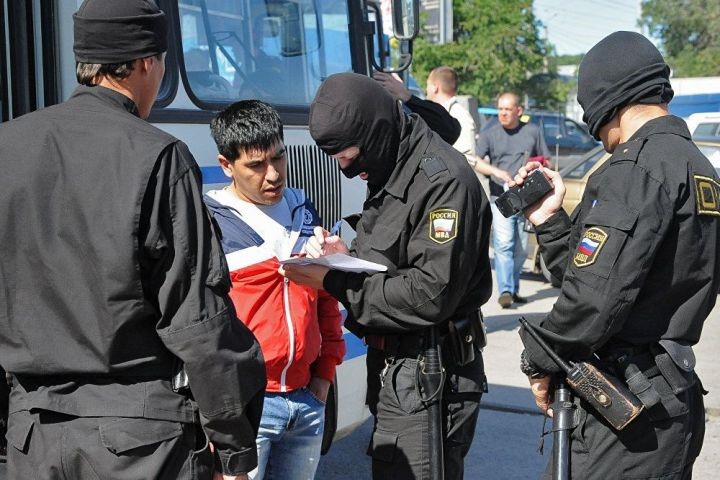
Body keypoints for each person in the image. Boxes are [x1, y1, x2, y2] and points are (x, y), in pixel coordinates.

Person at [0, 1, 266, 479]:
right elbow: (197, 319)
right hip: (140, 445)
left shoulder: (7, 147)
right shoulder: (159, 156)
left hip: (32, 437)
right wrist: (234, 450)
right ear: (147, 63)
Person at [516, 31, 719, 479]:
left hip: (627, 417)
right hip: (671, 402)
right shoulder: (699, 165)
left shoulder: (635, 168)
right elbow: (595, 274)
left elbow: (591, 301)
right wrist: (550, 220)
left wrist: (539, 358)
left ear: (605, 100)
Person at [282, 72, 493, 480]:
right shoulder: (392, 163)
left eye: (349, 157)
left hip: (431, 373)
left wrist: (332, 281)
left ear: (374, 133)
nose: (346, 171)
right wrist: (344, 257)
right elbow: (394, 256)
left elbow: (429, 293)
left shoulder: (442, 183)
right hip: (400, 368)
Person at [204, 100, 346, 480]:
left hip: (307, 400)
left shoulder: (304, 210)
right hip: (246, 408)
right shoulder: (210, 222)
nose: (272, 174)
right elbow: (199, 324)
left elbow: (326, 297)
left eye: (278, 158)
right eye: (256, 165)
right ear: (226, 165)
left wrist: (324, 377)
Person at [476, 91, 550, 309]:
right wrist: (496, 172)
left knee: (521, 250)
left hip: (526, 199)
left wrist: (536, 170)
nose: (503, 114)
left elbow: (546, 160)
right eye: (500, 109)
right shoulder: (490, 133)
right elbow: (476, 161)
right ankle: (506, 290)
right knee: (504, 244)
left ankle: (514, 290)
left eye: (507, 109)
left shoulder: (532, 131)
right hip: (501, 199)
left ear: (519, 111)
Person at [373, 71, 461, 145]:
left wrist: (407, 97)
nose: (426, 90)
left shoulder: (457, 112)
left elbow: (450, 132)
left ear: (435, 87)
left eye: (428, 85)